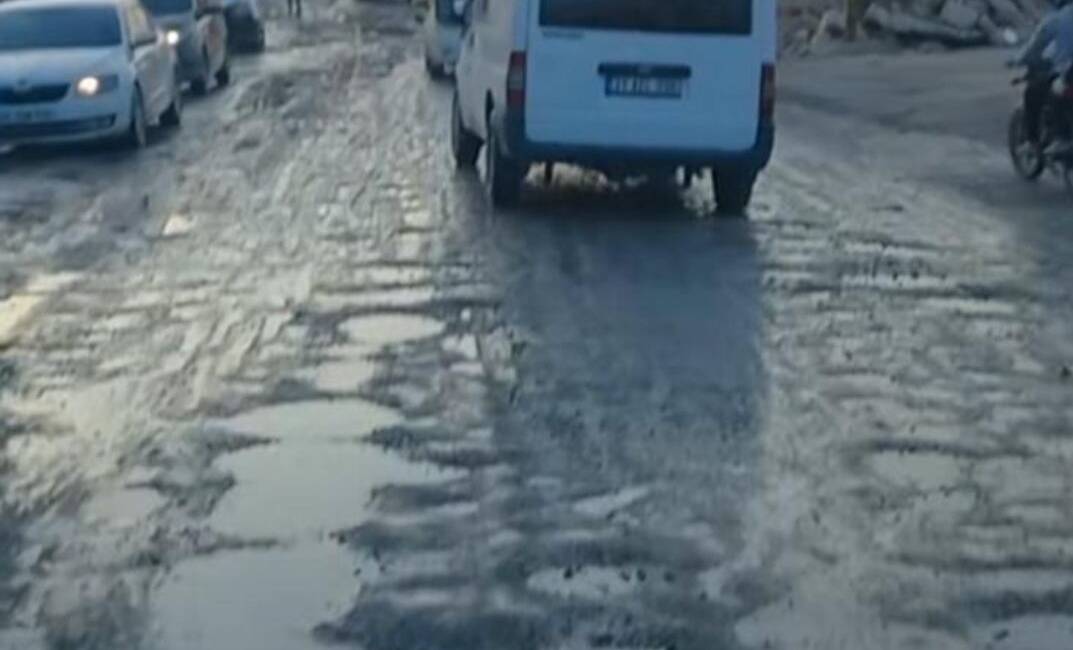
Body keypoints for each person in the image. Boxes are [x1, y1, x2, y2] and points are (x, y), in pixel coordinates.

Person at [1014, 0, 1073, 154]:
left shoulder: (1056, 19)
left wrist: (1018, 60)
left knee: (1034, 91)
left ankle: (1043, 140)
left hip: (1067, 72)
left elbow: (1034, 47)